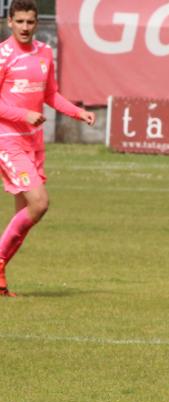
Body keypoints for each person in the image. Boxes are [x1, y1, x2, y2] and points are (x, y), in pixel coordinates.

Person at [0, 0, 95, 296]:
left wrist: (78, 112)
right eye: (20, 22)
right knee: (39, 203)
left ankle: (0, 278)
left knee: (25, 216)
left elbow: (51, 94)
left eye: (30, 22)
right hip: (8, 139)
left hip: (33, 142)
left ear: (36, 23)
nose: (25, 27)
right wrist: (23, 115)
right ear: (9, 22)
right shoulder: (3, 55)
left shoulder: (44, 52)